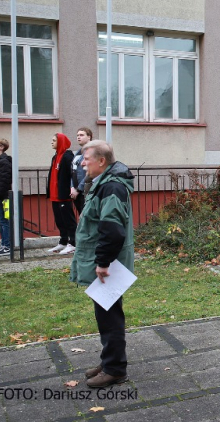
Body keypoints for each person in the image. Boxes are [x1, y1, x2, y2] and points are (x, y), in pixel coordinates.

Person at [70, 140, 134, 388]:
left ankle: (115, 369)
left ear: (101, 161)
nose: (82, 163)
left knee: (110, 317)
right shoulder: (103, 185)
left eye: (86, 158)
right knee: (105, 314)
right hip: (108, 261)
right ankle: (109, 360)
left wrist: (103, 263)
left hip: (110, 265)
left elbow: (112, 229)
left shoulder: (112, 188)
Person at [47, 133, 77, 254]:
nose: (52, 142)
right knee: (59, 220)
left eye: (54, 140)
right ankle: (63, 241)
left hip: (64, 195)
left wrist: (71, 188)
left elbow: (71, 174)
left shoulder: (67, 156)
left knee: (68, 220)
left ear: (60, 142)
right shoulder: (55, 157)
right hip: (55, 194)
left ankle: (73, 243)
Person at [70, 127, 93, 214]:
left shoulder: (91, 151)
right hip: (75, 192)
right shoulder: (78, 152)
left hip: (85, 192)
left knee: (86, 217)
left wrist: (78, 189)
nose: (78, 137)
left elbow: (90, 173)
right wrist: (72, 187)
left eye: (81, 135)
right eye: (77, 135)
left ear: (89, 137)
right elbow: (72, 171)